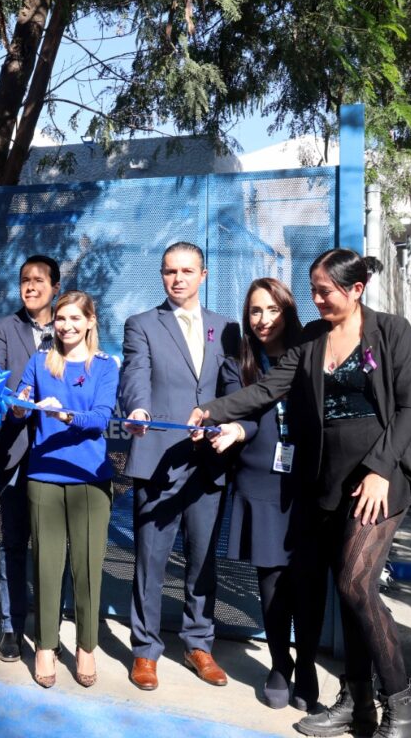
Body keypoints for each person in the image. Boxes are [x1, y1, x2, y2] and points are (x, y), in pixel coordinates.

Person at [190, 249, 411, 738]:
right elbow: (267, 390)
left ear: (356, 289)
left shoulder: (392, 331)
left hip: (382, 480)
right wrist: (213, 410)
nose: (316, 299)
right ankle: (357, 702)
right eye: (314, 289)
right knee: (349, 593)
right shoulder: (311, 339)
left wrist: (381, 469)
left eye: (326, 290)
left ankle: (404, 709)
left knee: (355, 584)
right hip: (328, 481)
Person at [120, 241, 239, 691]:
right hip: (158, 458)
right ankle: (145, 650)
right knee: (151, 560)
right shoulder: (142, 324)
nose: (178, 279)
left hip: (209, 460)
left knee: (202, 560)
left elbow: (233, 387)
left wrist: (221, 420)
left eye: (187, 271)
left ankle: (198, 644)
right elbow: (135, 374)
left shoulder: (226, 328)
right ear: (162, 275)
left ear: (203, 275)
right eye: (170, 271)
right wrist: (139, 410)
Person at [206, 278, 318, 709]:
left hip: (309, 481)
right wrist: (235, 428)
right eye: (255, 311)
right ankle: (279, 663)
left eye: (272, 309)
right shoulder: (238, 364)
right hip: (262, 482)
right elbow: (245, 411)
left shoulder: (309, 354)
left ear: (287, 311)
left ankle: (306, 664)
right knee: (271, 581)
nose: (264, 319)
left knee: (307, 581)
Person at [11, 291, 118, 688]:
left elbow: (100, 419)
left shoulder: (105, 366)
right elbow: (20, 406)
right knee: (47, 567)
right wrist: (21, 404)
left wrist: (62, 413)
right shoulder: (40, 362)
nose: (67, 325)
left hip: (91, 479)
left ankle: (86, 647)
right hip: (44, 478)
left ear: (91, 321)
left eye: (75, 318)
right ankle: (45, 645)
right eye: (61, 318)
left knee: (87, 570)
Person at [0, 254, 61, 662]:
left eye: (39, 281)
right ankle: (11, 628)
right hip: (14, 448)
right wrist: (13, 402)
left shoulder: (69, 327)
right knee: (13, 543)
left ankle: (51, 629)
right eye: (25, 281)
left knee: (53, 547)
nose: (30, 287)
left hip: (60, 453)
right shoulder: (3, 328)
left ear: (55, 288)